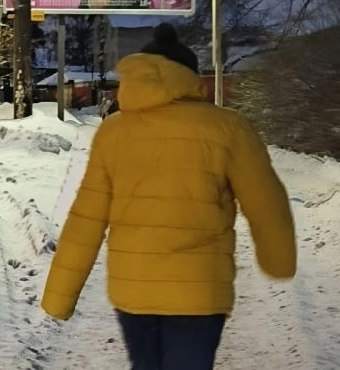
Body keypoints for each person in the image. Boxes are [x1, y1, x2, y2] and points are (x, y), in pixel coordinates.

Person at [41, 23, 297, 370]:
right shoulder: (229, 128)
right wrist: (278, 259)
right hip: (200, 290)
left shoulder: (113, 133)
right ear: (191, 79)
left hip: (134, 289)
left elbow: (86, 218)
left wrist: (60, 294)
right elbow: (267, 202)